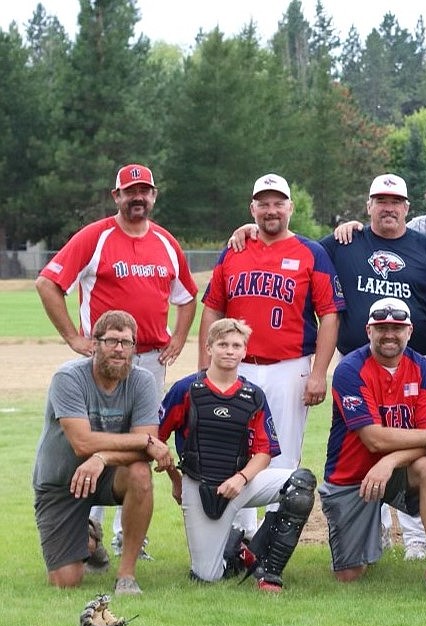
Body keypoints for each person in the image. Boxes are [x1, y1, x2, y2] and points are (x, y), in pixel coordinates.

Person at [36, 163, 197, 559]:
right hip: (102, 362)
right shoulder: (97, 236)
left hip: (147, 362)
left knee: (140, 443)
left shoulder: (165, 242)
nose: (138, 197)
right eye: (130, 191)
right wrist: (74, 336)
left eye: (145, 191)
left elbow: (188, 296)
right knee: (95, 439)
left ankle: (129, 537)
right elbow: (47, 283)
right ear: (117, 196)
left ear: (154, 196)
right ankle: (87, 530)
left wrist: (177, 338)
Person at [157, 318, 317, 592]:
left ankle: (269, 572)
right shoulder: (186, 390)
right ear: (209, 348)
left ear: (244, 351)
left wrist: (242, 479)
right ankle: (235, 549)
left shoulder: (253, 395)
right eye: (222, 344)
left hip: (242, 482)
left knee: (299, 485)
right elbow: (155, 439)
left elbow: (265, 452)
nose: (230, 351)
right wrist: (176, 480)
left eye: (236, 345)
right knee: (207, 577)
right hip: (201, 486)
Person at [200, 173, 343, 477]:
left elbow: (329, 314)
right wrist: (204, 367)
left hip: (289, 367)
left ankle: (280, 522)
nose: (271, 210)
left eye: (278, 203)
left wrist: (318, 373)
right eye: (263, 204)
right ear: (252, 209)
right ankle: (239, 525)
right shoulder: (234, 249)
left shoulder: (311, 253)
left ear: (290, 207)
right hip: (235, 365)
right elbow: (212, 308)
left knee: (283, 456)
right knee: (232, 449)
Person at [32, 310, 174, 595]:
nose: (119, 349)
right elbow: (82, 443)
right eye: (111, 341)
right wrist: (143, 442)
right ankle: (88, 538)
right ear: (94, 343)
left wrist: (103, 458)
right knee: (65, 581)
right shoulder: (68, 378)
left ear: (135, 348)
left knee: (139, 473)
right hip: (61, 481)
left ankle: (126, 575)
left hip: (108, 474)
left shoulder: (143, 381)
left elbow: (145, 450)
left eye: (127, 342)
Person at [321, 298, 426, 594]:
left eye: (397, 328)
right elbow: (374, 439)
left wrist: (390, 461)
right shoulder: (350, 369)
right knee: (350, 574)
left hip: (395, 472)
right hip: (351, 478)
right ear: (369, 330)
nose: (389, 334)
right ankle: (371, 532)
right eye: (382, 328)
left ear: (409, 331)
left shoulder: (423, 368)